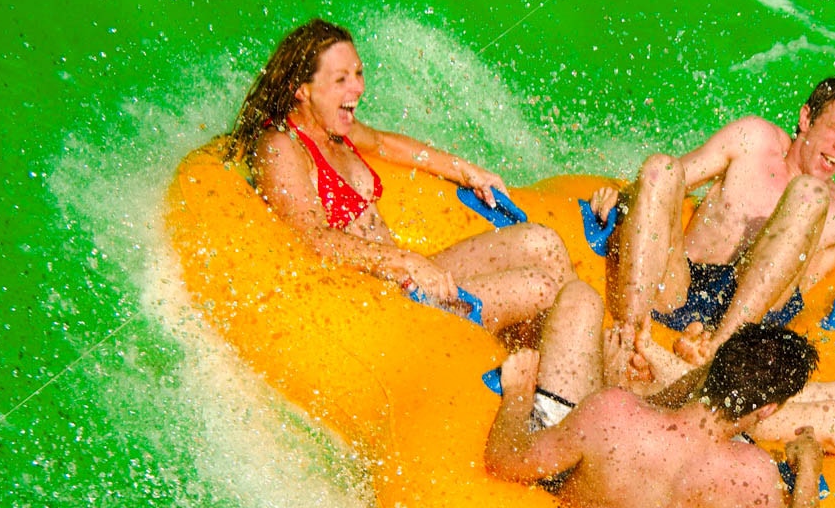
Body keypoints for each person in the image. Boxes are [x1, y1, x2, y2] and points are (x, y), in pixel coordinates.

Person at [225, 18, 574, 332]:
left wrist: (467, 172)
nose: (358, 88)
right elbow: (313, 238)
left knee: (542, 241)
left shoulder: (334, 130)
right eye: (341, 79)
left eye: (358, 74)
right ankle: (563, 387)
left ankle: (589, 355)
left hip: (407, 282)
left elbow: (382, 143)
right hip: (383, 305)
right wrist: (406, 261)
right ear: (302, 90)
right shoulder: (282, 147)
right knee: (539, 287)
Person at [596, 77, 835, 366]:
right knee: (660, 166)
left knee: (809, 193)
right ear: (806, 118)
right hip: (679, 284)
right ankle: (628, 336)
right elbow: (669, 180)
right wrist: (625, 194)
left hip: (753, 325)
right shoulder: (753, 140)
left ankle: (717, 351)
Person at [483, 320, 826, 508]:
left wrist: (518, 393)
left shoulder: (612, 413)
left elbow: (504, 460)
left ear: (713, 366)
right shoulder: (751, 478)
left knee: (580, 302)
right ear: (767, 409)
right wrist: (809, 468)